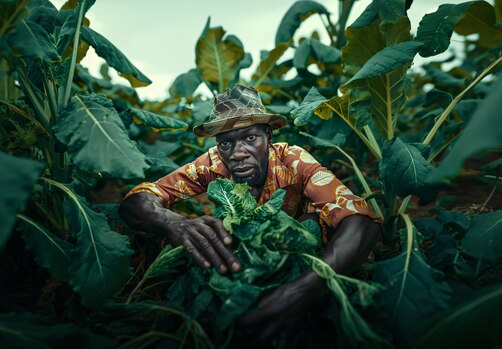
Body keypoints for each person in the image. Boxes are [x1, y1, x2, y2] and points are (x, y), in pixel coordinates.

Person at [119, 83, 380, 342]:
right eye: (226, 143)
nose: (238, 153)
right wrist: (174, 223)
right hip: (247, 260)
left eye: (250, 138)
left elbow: (359, 219)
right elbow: (139, 198)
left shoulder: (294, 160)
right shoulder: (212, 163)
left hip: (299, 255)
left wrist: (306, 288)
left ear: (269, 136)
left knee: (312, 221)